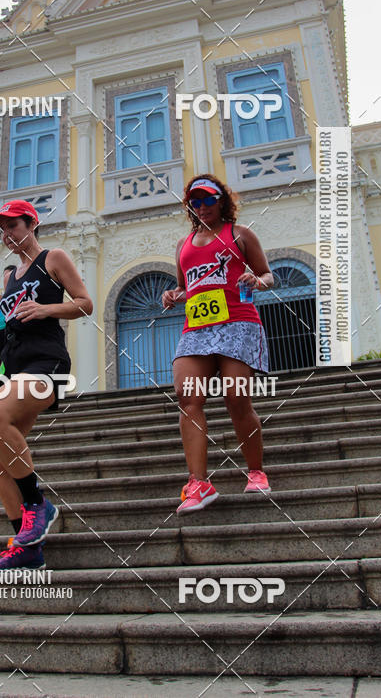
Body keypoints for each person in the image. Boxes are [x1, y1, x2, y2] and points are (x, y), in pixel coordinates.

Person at [0, 200, 93, 571]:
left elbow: (85, 303)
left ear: (32, 224)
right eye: (2, 229)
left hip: (48, 363)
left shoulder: (52, 258)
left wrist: (45, 309)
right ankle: (27, 546)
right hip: (14, 367)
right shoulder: (10, 278)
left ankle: (37, 504)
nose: (7, 234)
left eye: (12, 225)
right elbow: (4, 326)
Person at [162, 174, 274, 514]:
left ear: (222, 200)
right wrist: (173, 295)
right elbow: (186, 288)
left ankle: (255, 471)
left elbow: (268, 275)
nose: (202, 206)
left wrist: (256, 280)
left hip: (238, 322)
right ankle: (199, 483)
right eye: (195, 202)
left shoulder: (239, 235)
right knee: (187, 397)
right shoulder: (183, 245)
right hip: (196, 329)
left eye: (208, 199)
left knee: (236, 397)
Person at [0, 265, 17, 375]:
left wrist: (3, 298)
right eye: (4, 276)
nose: (5, 278)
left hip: (8, 329)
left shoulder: (15, 292)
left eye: (8, 275)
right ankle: (1, 382)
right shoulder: (2, 296)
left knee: (8, 359)